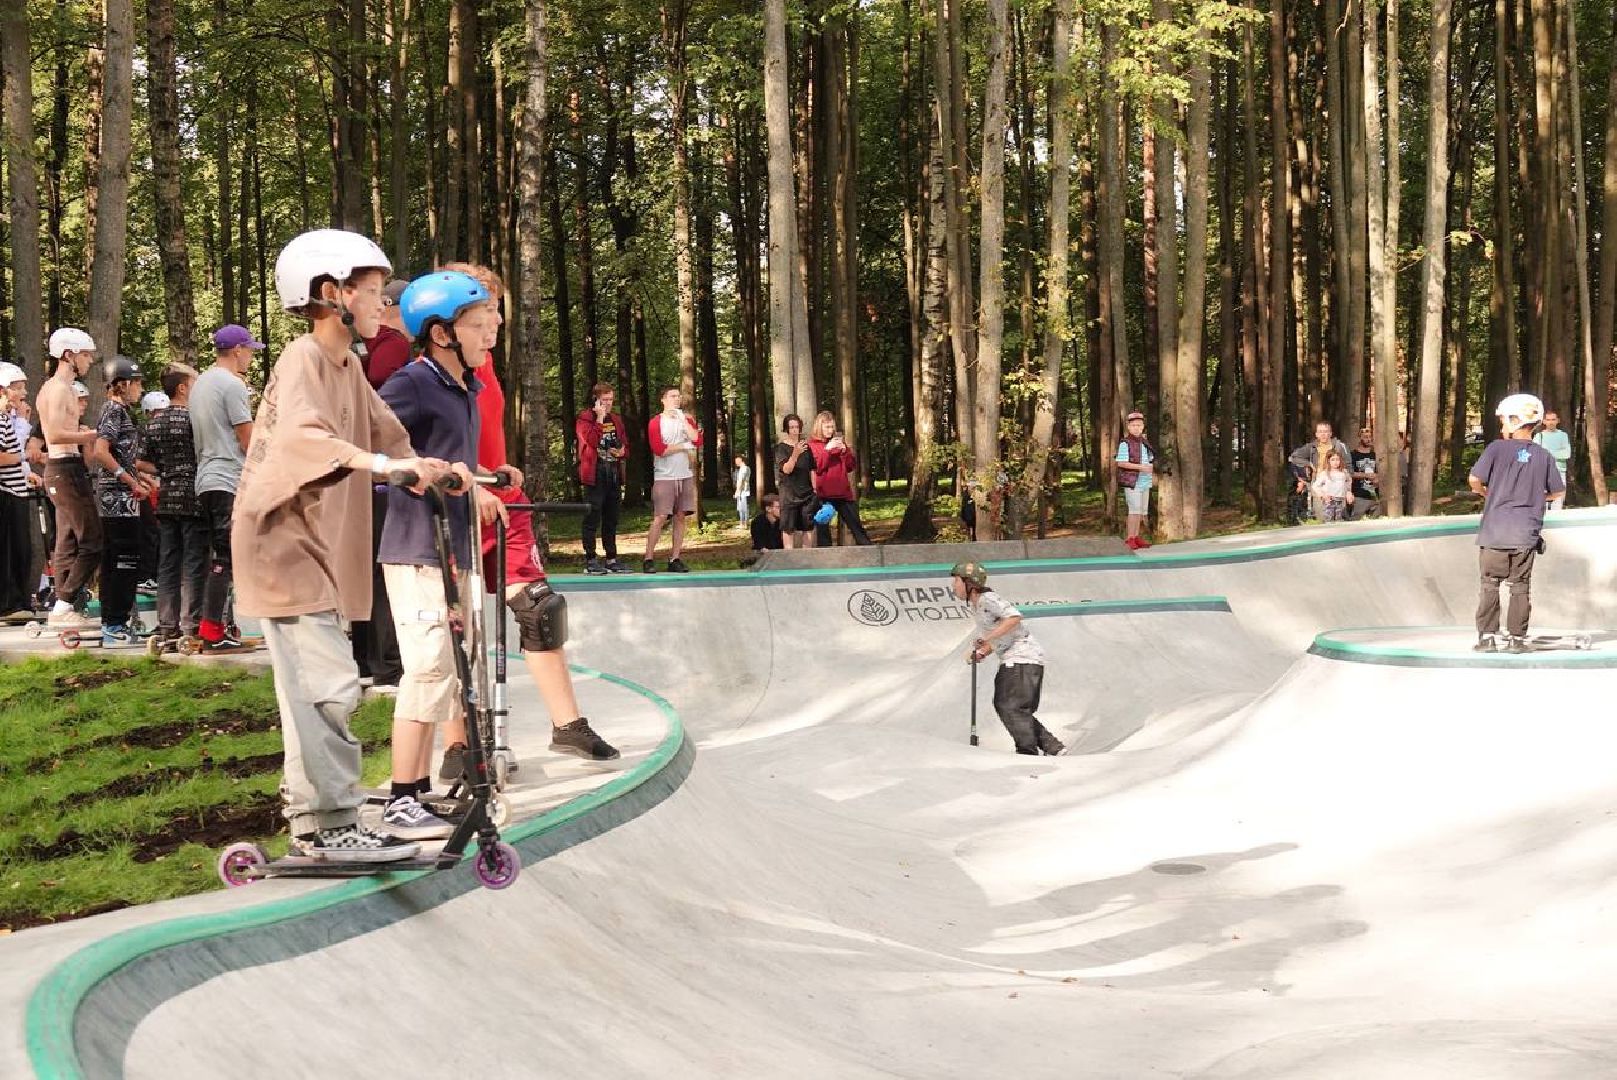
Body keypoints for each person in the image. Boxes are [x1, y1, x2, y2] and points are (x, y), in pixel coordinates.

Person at [234, 227, 452, 861]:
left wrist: (441, 470)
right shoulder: (302, 358)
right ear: (332, 294)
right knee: (329, 683)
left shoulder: (349, 365)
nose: (385, 308)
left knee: (312, 686)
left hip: (311, 544)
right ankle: (334, 825)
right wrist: (383, 469)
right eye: (376, 293)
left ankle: (314, 823)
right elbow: (305, 438)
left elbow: (390, 433)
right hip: (278, 541)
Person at [438, 259, 620, 770]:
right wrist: (468, 479)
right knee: (457, 621)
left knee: (540, 607)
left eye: (496, 309)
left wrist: (499, 468)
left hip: (502, 497)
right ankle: (459, 742)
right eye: (483, 311)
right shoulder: (433, 369)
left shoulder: (485, 363)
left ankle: (568, 725)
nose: (495, 321)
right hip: (454, 500)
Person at [377, 271, 508, 838]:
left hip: (455, 549)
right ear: (439, 333)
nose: (492, 332)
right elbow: (378, 458)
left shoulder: (467, 388)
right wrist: (433, 478)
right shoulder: (411, 384)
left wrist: (484, 478)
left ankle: (420, 789)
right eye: (480, 325)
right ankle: (401, 793)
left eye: (492, 322)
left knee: (453, 671)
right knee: (428, 666)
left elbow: (446, 462)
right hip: (416, 548)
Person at [1469, 393, 1564, 653]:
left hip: (1495, 531)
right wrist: (1538, 496)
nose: (1502, 426)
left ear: (1515, 420)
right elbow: (1557, 492)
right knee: (1520, 586)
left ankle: (1487, 639)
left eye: (1504, 421)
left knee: (1490, 583)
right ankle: (1516, 640)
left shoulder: (1496, 448)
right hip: (1525, 532)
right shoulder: (1544, 455)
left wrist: (1485, 492)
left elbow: (1474, 479)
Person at [352, 282, 412, 690]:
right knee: (384, 571)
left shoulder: (357, 346)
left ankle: (365, 661)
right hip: (381, 472)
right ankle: (388, 664)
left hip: (358, 469)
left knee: (366, 570)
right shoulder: (393, 344)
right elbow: (386, 403)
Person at [191, 324, 262, 651]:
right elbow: (248, 439)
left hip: (206, 479)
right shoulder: (232, 385)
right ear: (237, 350)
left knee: (222, 555)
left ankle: (221, 626)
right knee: (227, 558)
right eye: (250, 350)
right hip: (229, 478)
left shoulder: (200, 383)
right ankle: (212, 632)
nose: (251, 356)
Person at [952, 561, 1063, 756]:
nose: (953, 586)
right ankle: (1052, 747)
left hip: (1022, 656)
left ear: (970, 583)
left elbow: (1013, 617)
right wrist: (983, 652)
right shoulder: (978, 606)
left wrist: (986, 638)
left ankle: (1027, 752)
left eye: (956, 581)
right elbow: (1002, 637)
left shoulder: (987, 598)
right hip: (1015, 657)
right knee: (1011, 707)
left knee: (1010, 706)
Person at [36, 327, 103, 627]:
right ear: (68, 355)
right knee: (92, 539)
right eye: (85, 354)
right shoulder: (58, 389)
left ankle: (62, 608)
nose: (89, 360)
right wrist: (88, 435)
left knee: (66, 540)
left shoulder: (59, 389)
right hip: (65, 469)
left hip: (66, 468)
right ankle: (64, 603)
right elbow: (52, 434)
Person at [138, 365, 208, 645]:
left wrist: (167, 470)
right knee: (194, 561)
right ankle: (192, 624)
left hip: (166, 497)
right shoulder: (195, 418)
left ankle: (167, 625)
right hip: (193, 496)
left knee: (167, 563)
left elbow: (141, 462)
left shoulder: (154, 422)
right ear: (182, 387)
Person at [91, 357, 158, 645]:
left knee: (121, 557)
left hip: (125, 494)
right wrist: (129, 480)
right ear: (124, 384)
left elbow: (121, 455)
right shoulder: (113, 410)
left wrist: (138, 478)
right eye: (138, 383)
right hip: (117, 497)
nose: (140, 389)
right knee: (125, 558)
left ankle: (114, 620)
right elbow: (100, 451)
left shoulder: (122, 412)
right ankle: (114, 624)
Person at [644, 386, 702, 573]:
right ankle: (648, 558)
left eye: (678, 396)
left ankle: (675, 558)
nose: (676, 399)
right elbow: (660, 449)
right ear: (663, 399)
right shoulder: (656, 422)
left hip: (684, 474)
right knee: (660, 517)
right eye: (672, 396)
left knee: (680, 516)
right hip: (664, 476)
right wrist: (684, 445)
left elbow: (697, 440)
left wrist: (685, 422)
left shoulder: (687, 420)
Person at [576, 382, 629, 574]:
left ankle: (611, 558)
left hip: (612, 472)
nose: (608, 404)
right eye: (604, 400)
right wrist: (598, 418)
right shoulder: (585, 418)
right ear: (596, 400)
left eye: (610, 400)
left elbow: (625, 445)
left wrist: (621, 452)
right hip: (595, 473)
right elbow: (590, 441)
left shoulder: (615, 419)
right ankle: (590, 559)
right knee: (592, 516)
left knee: (611, 517)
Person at [807, 410, 872, 545]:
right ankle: (826, 561)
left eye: (832, 427)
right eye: (827, 427)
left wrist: (844, 451)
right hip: (823, 494)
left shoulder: (837, 442)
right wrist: (827, 450)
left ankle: (869, 554)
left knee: (856, 526)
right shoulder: (812, 445)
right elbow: (818, 466)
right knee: (823, 532)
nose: (830, 430)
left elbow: (850, 466)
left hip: (842, 493)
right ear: (820, 427)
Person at [0, 376, 31, 618]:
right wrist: (24, 457)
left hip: (17, 490)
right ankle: (10, 604)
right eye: (17, 388)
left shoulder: (7, 419)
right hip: (7, 492)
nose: (23, 393)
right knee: (12, 549)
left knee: (22, 549)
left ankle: (19, 600)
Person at [1289, 421, 1352, 522]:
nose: (1323, 434)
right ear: (1316, 434)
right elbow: (1294, 457)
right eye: (1320, 432)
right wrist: (1309, 464)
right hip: (1320, 483)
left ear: (1330, 433)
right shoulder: (1311, 447)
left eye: (1326, 431)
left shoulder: (1340, 446)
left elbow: (1349, 467)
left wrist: (1348, 490)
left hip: (1337, 485)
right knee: (1322, 516)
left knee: (1339, 517)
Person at [773, 414, 816, 549]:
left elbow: (812, 469)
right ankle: (789, 558)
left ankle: (806, 557)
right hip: (789, 494)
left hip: (807, 494)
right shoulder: (781, 448)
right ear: (787, 429)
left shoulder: (806, 447)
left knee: (808, 527)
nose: (794, 430)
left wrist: (815, 489)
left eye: (797, 427)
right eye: (791, 427)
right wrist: (795, 453)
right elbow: (786, 469)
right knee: (788, 528)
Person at [1116, 410, 1155, 549]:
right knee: (1134, 510)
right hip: (1133, 482)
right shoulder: (1125, 443)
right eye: (1133, 425)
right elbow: (1121, 463)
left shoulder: (1145, 442)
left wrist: (1150, 468)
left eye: (1139, 425)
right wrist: (1141, 467)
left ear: (1143, 426)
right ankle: (1130, 538)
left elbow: (1150, 459)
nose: (1137, 428)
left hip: (1145, 481)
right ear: (1128, 427)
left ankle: (1137, 536)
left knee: (1141, 511)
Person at [1533, 409, 1572, 511]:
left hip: (1560, 470)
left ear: (1557, 421)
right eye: (1548, 420)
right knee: (1542, 499)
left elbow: (1567, 454)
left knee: (1559, 499)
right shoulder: (1539, 436)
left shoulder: (1563, 435)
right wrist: (1556, 453)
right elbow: (1535, 454)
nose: (1550, 422)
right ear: (1544, 421)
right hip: (1543, 471)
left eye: (1553, 419)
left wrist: (1547, 453)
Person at [1309, 449, 1354, 522]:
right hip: (1329, 500)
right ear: (1328, 461)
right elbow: (1315, 486)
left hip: (1340, 500)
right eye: (1333, 460)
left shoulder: (1344, 472)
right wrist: (1323, 495)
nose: (1335, 462)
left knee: (1339, 519)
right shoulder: (1325, 473)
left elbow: (1348, 481)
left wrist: (1348, 492)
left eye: (1337, 460)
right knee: (1329, 519)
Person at [1347, 425, 1380, 520]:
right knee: (1355, 519)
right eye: (1365, 437)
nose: (1369, 439)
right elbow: (1350, 473)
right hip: (1359, 495)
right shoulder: (1353, 455)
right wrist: (1367, 475)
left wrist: (1377, 478)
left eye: (1370, 437)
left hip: (1374, 495)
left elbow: (1380, 471)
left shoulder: (1375, 454)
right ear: (1359, 438)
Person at [733, 455, 751, 527]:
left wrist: (737, 491)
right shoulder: (746, 468)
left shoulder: (744, 469)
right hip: (744, 490)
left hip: (743, 491)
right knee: (742, 507)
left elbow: (741, 480)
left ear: (741, 460)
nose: (736, 462)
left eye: (737, 461)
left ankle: (744, 523)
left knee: (743, 508)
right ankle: (743, 523)